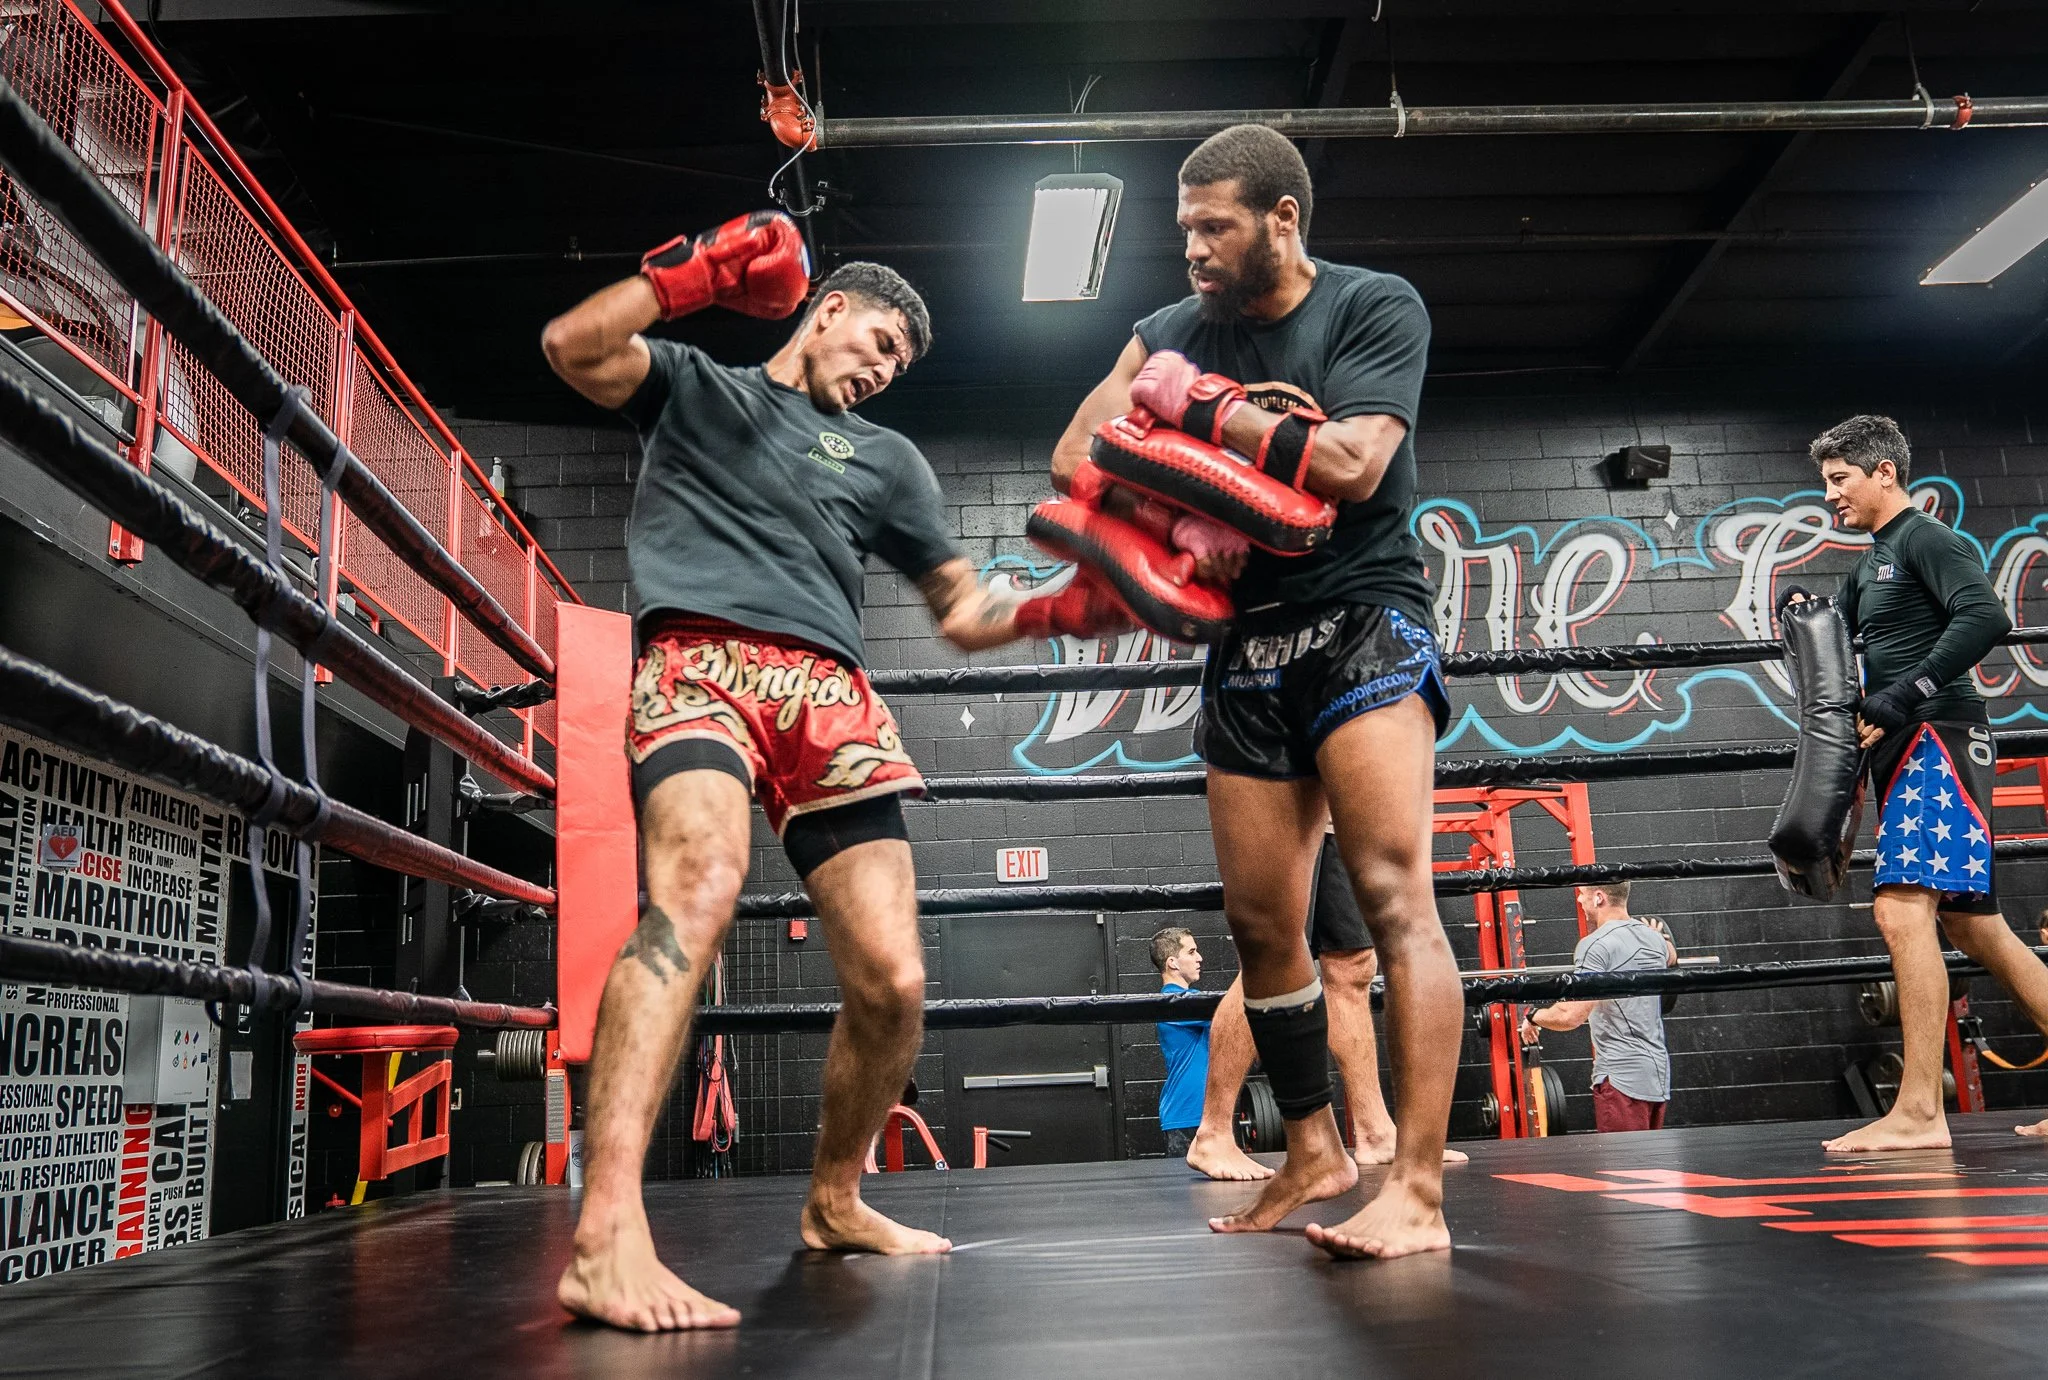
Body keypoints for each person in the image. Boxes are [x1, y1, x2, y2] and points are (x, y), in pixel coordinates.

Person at [541, 213, 1130, 1331]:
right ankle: (605, 1230)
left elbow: (960, 609)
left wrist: (1077, 603)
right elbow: (572, 345)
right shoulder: (698, 389)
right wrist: (695, 279)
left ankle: (836, 1200)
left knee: (894, 980)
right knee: (695, 895)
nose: (881, 370)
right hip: (698, 662)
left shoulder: (889, 460)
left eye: (900, 364)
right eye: (876, 344)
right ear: (826, 310)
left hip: (829, 696)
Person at [1053, 124, 1461, 1261]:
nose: (1189, 246)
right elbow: (1072, 453)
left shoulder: (1374, 307)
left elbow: (1348, 466)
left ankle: (1416, 1191)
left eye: (1212, 224)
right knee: (1258, 925)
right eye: (1182, 225)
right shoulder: (1172, 328)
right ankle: (1313, 1147)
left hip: (1361, 619)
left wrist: (1187, 413)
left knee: (1388, 894)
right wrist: (1185, 520)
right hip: (1246, 643)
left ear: (1281, 219)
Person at [1799, 415, 2048, 1152]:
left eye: (1840, 479)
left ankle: (1919, 1113)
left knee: (1901, 912)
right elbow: (1834, 641)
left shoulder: (1924, 538)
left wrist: (1907, 691)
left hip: (1936, 736)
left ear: (1884, 473)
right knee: (1976, 927)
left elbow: (1986, 615)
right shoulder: (1872, 560)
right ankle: (1916, 1113)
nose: (1831, 496)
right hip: (1909, 746)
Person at [1183, 825, 1469, 1179]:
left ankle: (1375, 1131)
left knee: (1354, 965)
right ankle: (1213, 1133)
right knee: (1268, 957)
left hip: (1345, 820)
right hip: (1291, 802)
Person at [1520, 882, 1677, 1132]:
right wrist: (1660, 937)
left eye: (1582, 895)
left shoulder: (1595, 945)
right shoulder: (1655, 941)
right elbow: (1672, 957)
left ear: (1599, 898)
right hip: (1656, 1078)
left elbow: (1572, 1015)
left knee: (1624, 1169)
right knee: (1651, 1167)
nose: (1580, 901)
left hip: (1621, 1080)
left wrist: (1533, 1016)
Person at [1150, 927, 1213, 1156]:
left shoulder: (1187, 1000)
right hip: (1188, 1117)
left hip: (1198, 1116)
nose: (1199, 958)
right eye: (1192, 952)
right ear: (1173, 963)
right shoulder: (1176, 1001)